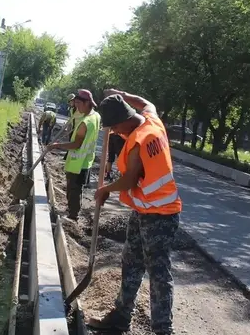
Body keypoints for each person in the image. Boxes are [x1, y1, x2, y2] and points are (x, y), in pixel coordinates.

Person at [90, 89, 181, 335]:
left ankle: (163, 330)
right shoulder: (152, 119)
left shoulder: (138, 142)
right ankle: (121, 317)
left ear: (123, 121)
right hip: (143, 211)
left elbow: (129, 180)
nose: (116, 133)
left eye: (115, 128)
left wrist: (105, 189)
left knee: (159, 274)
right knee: (131, 263)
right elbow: (146, 101)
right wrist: (120, 93)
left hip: (161, 217)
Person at [46, 89, 101, 220]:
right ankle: (72, 211)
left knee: (73, 190)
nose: (76, 106)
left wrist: (57, 145)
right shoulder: (96, 116)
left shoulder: (85, 123)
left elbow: (76, 145)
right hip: (86, 160)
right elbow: (76, 115)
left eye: (78, 103)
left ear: (87, 103)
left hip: (77, 162)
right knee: (77, 189)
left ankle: (72, 216)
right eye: (75, 103)